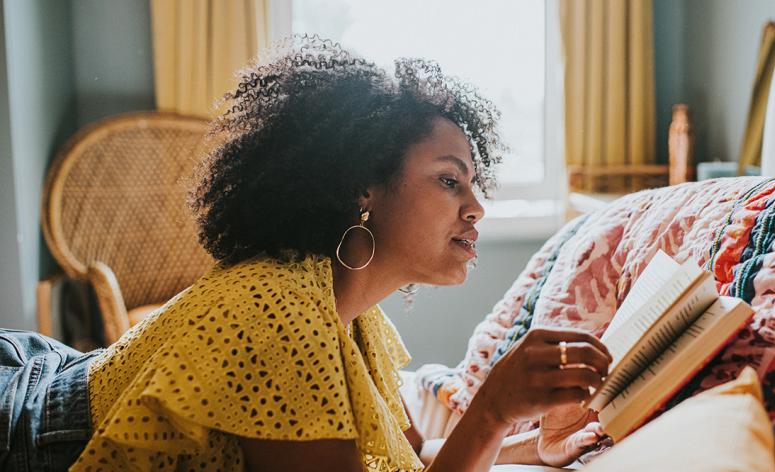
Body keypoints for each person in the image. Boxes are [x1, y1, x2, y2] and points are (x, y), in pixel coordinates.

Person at [0, 36, 611, 472]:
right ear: (360, 187)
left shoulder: (346, 304)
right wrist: (491, 407)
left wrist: (528, 444)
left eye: (475, 184)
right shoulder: (279, 316)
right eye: (450, 180)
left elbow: (413, 458)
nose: (476, 207)